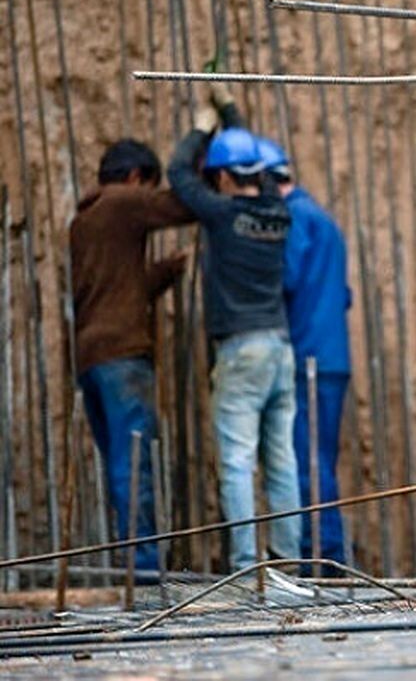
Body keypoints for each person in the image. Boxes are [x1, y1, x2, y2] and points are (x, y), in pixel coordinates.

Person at [167, 83, 301, 571]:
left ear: (222, 176)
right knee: (281, 460)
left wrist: (203, 126)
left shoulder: (223, 216)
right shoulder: (277, 211)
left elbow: (179, 174)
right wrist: (230, 111)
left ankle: (246, 565)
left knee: (238, 461)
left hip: (242, 350)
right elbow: (253, 165)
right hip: (279, 348)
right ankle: (286, 559)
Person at [71, 139, 192, 571]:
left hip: (90, 357)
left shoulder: (84, 219)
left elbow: (118, 288)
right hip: (122, 355)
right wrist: (194, 161)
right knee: (134, 462)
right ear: (136, 178)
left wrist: (164, 272)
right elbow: (182, 206)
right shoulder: (123, 202)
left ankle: (133, 560)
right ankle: (141, 567)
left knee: (118, 463)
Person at [257, 137, 352, 567]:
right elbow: (343, 294)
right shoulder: (325, 220)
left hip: (307, 356)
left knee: (306, 460)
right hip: (333, 355)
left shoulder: (293, 218)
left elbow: (286, 277)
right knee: (321, 457)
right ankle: (327, 552)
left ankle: (325, 557)